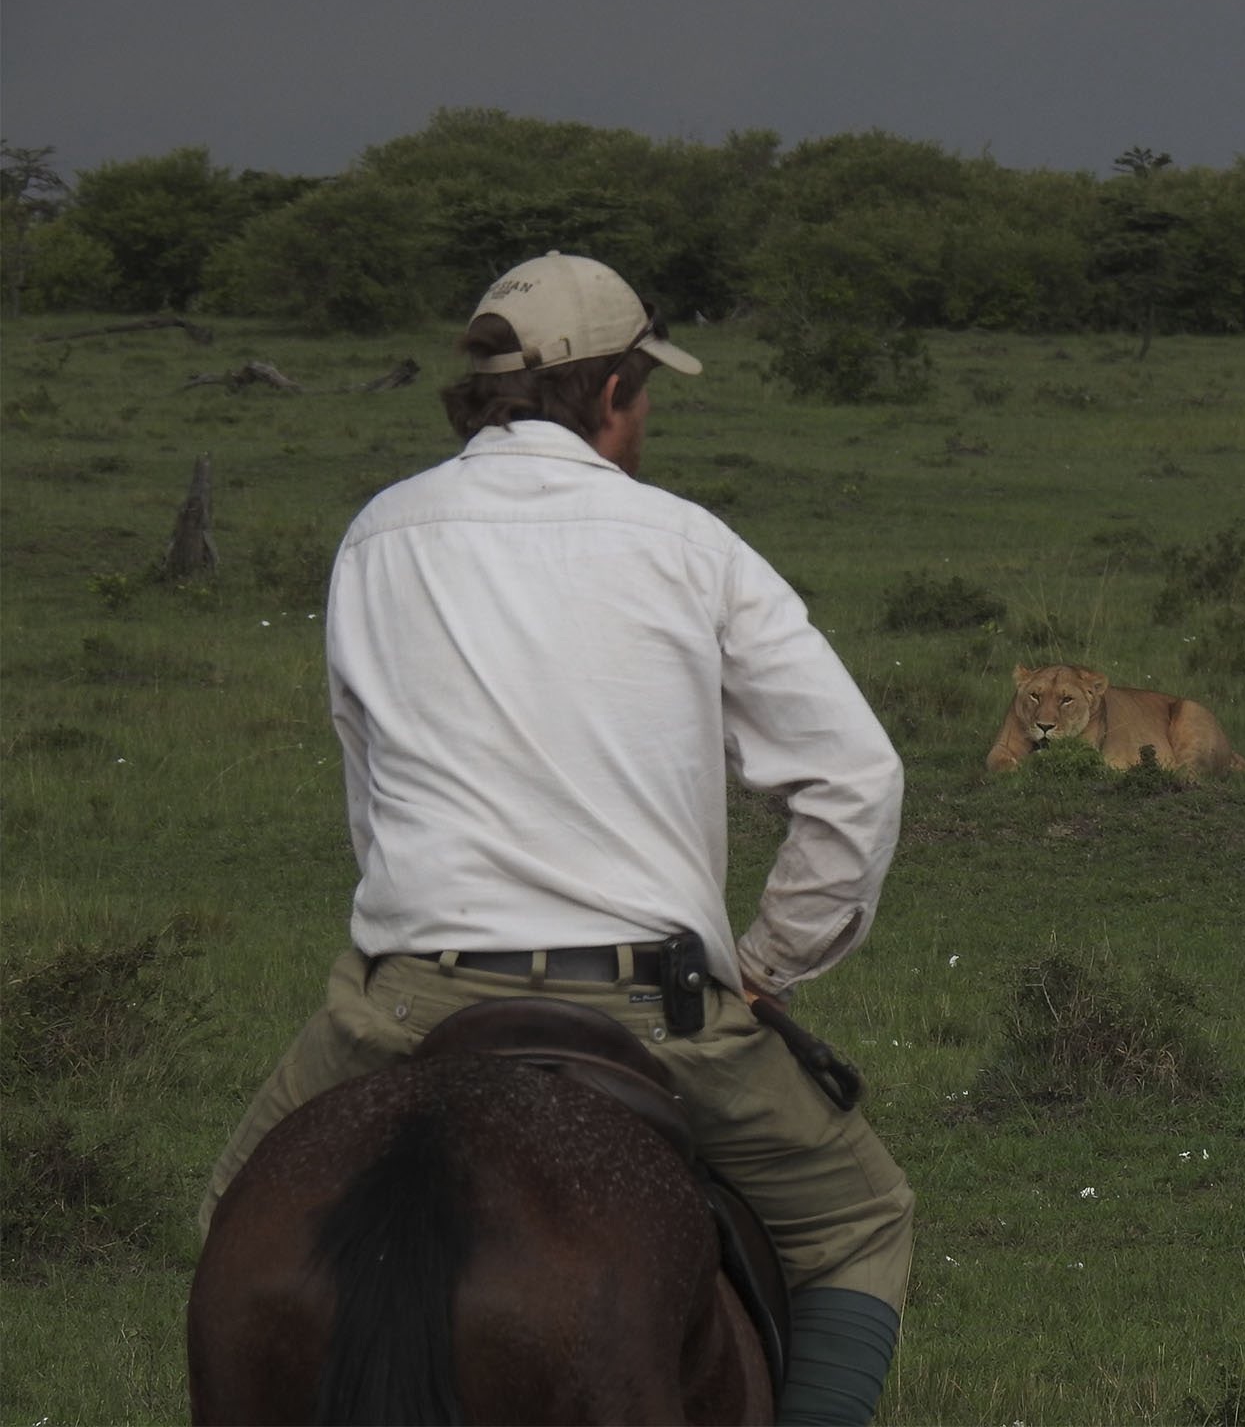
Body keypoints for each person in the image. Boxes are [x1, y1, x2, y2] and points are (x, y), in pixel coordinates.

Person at [198, 251, 914, 1426]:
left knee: (240, 1210)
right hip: (652, 1007)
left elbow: (371, 794)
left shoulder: (378, 535)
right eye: (646, 395)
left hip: (404, 1001)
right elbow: (856, 777)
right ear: (615, 392)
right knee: (861, 1218)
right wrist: (769, 967)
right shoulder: (690, 544)